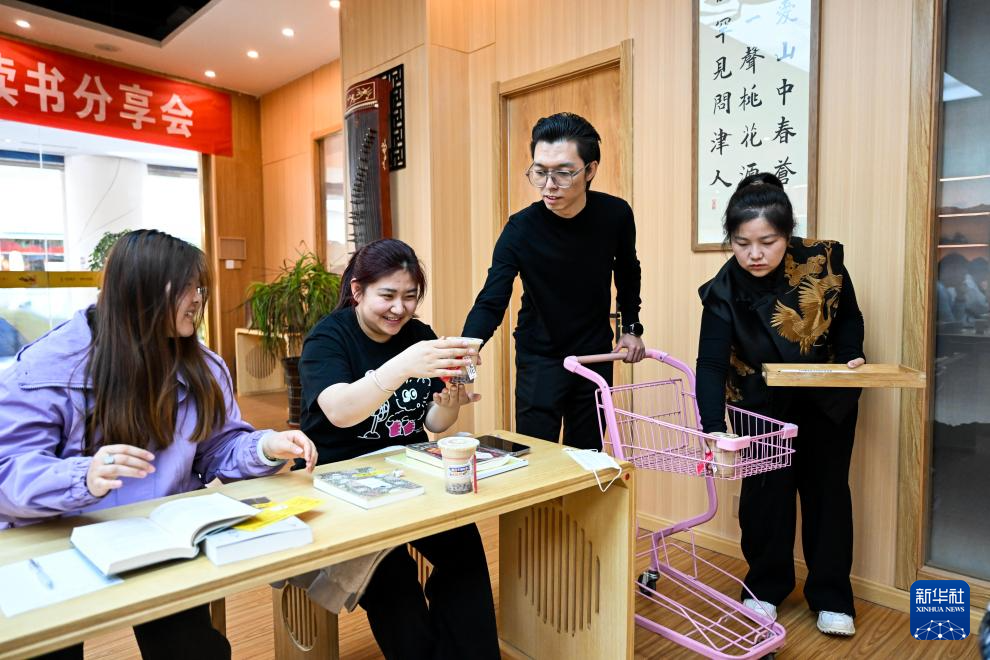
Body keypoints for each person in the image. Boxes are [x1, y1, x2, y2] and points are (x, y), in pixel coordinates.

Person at [0, 229, 317, 660]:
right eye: (187, 287)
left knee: (195, 651)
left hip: (163, 539)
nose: (198, 299)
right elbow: (9, 471)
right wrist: (83, 476)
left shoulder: (204, 366)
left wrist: (265, 447)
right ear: (141, 291)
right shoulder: (46, 368)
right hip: (58, 544)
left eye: (200, 287)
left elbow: (218, 449)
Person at [298, 238, 498, 660]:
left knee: (464, 551)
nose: (399, 308)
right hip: (341, 484)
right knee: (393, 579)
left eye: (410, 296)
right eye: (387, 295)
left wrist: (449, 403)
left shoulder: (419, 336)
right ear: (358, 291)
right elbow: (339, 411)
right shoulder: (329, 338)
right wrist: (402, 366)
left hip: (410, 475)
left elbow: (432, 423)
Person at [696, 173, 866, 637]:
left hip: (826, 399)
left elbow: (849, 316)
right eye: (742, 243)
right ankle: (764, 589)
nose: (754, 254)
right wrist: (713, 427)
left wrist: (852, 352)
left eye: (767, 242)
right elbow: (711, 363)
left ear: (787, 235)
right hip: (760, 404)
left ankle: (832, 597)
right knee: (765, 498)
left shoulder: (823, 261)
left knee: (827, 494)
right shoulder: (724, 289)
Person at [461, 111, 645, 449]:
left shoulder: (615, 215)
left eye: (562, 173)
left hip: (594, 355)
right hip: (539, 357)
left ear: (590, 170)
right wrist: (468, 347)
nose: (549, 185)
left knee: (587, 454)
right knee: (536, 454)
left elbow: (627, 271)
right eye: (540, 172)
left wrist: (631, 328)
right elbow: (492, 297)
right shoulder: (520, 229)